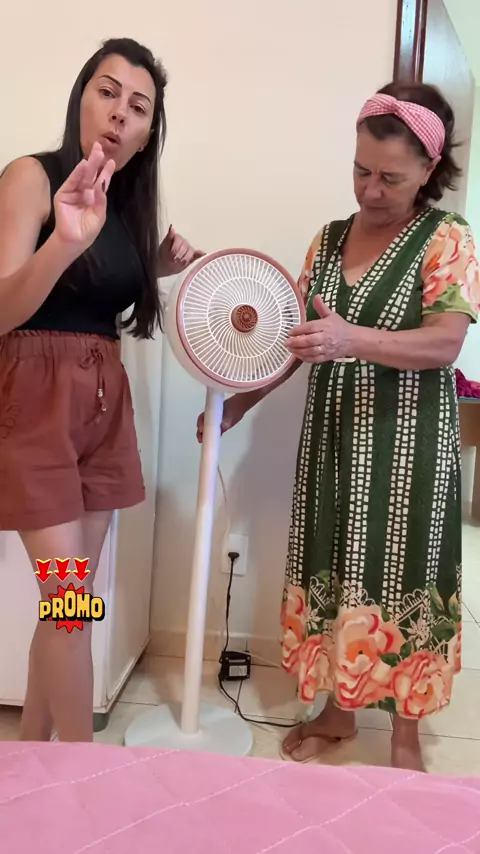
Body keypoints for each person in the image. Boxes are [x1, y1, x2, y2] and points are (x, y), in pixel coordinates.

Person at [197, 82, 480, 771]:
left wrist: (353, 338)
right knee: (334, 564)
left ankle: (406, 735)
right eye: (360, 170)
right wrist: (240, 404)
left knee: (406, 576)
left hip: (408, 447)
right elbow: (297, 342)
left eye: (390, 177)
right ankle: (337, 710)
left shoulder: (448, 238)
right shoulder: (326, 240)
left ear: (428, 170)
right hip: (332, 441)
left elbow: (445, 343)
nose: (370, 190)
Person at [0, 37, 203, 743]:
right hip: (36, 408)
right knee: (67, 600)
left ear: (148, 133)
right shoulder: (32, 177)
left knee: (70, 602)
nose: (120, 113)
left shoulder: (123, 208)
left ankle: (31, 755)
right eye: (108, 92)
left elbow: (94, 295)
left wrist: (151, 267)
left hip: (101, 406)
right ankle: (84, 776)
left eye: (139, 106)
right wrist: (62, 240)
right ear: (81, 98)